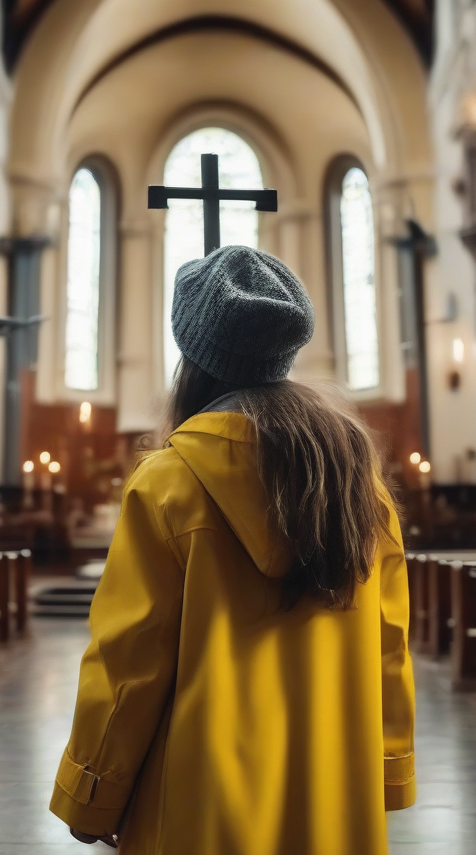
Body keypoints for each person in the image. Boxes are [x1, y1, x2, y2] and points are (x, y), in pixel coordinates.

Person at [50, 245, 415, 854]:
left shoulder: (169, 482)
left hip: (200, 806)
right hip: (334, 801)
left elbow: (128, 660)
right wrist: (389, 766)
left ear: (192, 358)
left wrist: (92, 791)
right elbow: (388, 643)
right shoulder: (358, 483)